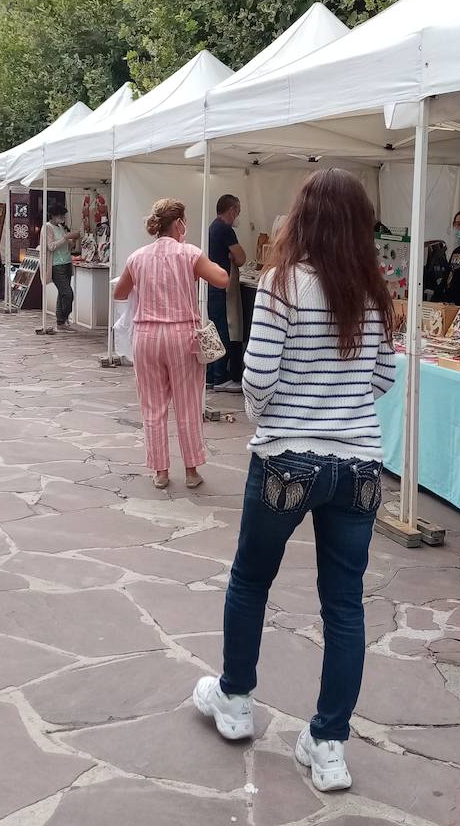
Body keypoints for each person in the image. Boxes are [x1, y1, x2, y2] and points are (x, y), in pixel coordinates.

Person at [192, 168, 397, 794]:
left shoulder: (283, 283)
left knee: (251, 580)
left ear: (302, 217)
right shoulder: (373, 290)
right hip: (358, 465)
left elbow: (255, 376)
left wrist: (280, 414)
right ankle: (329, 742)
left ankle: (235, 700)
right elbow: (386, 378)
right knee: (344, 606)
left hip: (288, 459)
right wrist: (344, 405)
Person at [114, 199, 227, 489]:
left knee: (152, 406)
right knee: (188, 404)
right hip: (181, 336)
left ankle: (161, 472)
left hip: (147, 337)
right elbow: (222, 279)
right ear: (179, 223)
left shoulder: (137, 257)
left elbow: (120, 293)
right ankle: (191, 471)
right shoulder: (188, 253)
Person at [207, 194, 247, 392]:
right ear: (231, 210)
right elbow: (241, 258)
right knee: (225, 330)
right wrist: (234, 255)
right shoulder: (225, 229)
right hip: (223, 286)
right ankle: (220, 376)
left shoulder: (213, 226)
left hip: (213, 284)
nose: (238, 216)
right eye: (238, 211)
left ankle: (210, 375)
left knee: (214, 329)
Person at [41, 203, 81, 332]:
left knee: (62, 294)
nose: (62, 217)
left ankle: (61, 322)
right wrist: (66, 238)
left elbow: (67, 245)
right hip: (56, 265)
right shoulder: (47, 228)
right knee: (68, 293)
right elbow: (51, 246)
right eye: (60, 215)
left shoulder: (60, 227)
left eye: (63, 215)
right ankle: (63, 318)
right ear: (53, 215)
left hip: (66, 263)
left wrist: (72, 240)